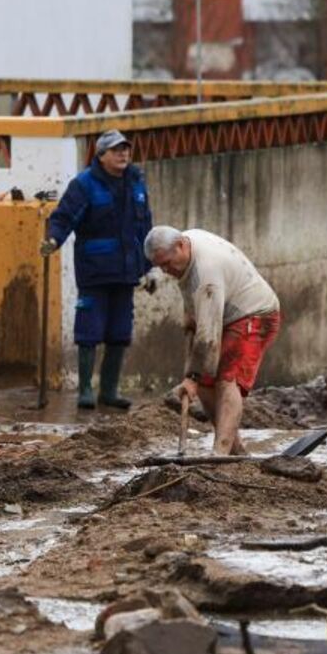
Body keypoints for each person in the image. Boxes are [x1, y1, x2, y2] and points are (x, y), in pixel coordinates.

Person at [144, 226, 283, 456]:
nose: (166, 271)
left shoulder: (206, 271)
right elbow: (194, 294)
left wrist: (191, 378)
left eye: (167, 263)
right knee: (206, 383)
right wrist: (191, 312)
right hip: (226, 314)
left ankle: (220, 453)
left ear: (181, 245)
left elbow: (207, 337)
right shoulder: (186, 247)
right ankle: (235, 451)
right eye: (160, 267)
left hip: (255, 314)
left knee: (227, 378)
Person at [40, 129, 153, 411]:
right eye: (116, 150)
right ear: (101, 155)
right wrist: (53, 240)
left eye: (125, 149)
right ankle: (86, 390)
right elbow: (64, 217)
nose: (123, 154)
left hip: (127, 271)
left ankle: (109, 391)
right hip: (95, 270)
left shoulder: (136, 183)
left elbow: (145, 227)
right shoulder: (84, 184)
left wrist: (149, 266)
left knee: (120, 332)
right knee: (88, 331)